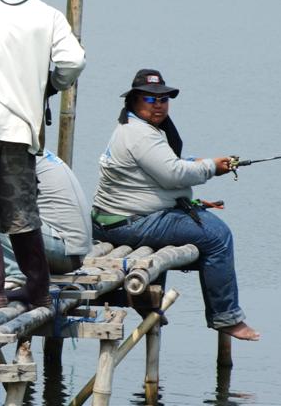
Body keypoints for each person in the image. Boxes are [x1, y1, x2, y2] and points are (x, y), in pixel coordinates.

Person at [91, 68, 260, 341]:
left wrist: (199, 166)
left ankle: (147, 302)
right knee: (218, 236)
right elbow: (174, 174)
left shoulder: (133, 128)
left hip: (116, 221)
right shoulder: (141, 135)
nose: (158, 105)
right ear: (134, 101)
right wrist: (211, 168)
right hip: (131, 223)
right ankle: (225, 317)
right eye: (149, 99)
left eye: (163, 99)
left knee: (198, 222)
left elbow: (163, 169)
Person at [0, 0, 86, 310]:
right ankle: (37, 286)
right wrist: (50, 85)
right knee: (22, 212)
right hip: (23, 130)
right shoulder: (46, 14)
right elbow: (73, 61)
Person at [1, 149, 92, 286]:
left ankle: (17, 275)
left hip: (63, 251)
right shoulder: (33, 150)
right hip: (72, 251)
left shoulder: (13, 156)